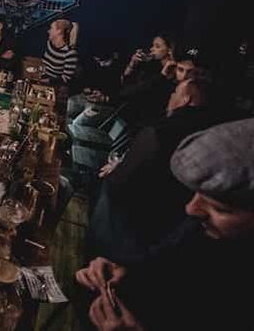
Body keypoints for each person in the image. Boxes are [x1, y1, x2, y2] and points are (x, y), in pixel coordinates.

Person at [76, 118, 254, 330]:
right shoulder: (201, 231)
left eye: (219, 208)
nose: (191, 209)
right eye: (196, 194)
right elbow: (162, 267)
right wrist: (126, 273)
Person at [89, 78, 215, 261]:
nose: (171, 96)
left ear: (186, 99)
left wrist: (118, 169)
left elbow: (120, 182)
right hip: (157, 226)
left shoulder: (162, 130)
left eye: (175, 93)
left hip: (127, 217)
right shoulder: (206, 133)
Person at [41, 19, 78, 85]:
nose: (48, 31)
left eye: (51, 28)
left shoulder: (70, 53)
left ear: (59, 31)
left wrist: (47, 81)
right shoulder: (49, 43)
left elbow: (66, 78)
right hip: (42, 76)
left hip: (54, 84)